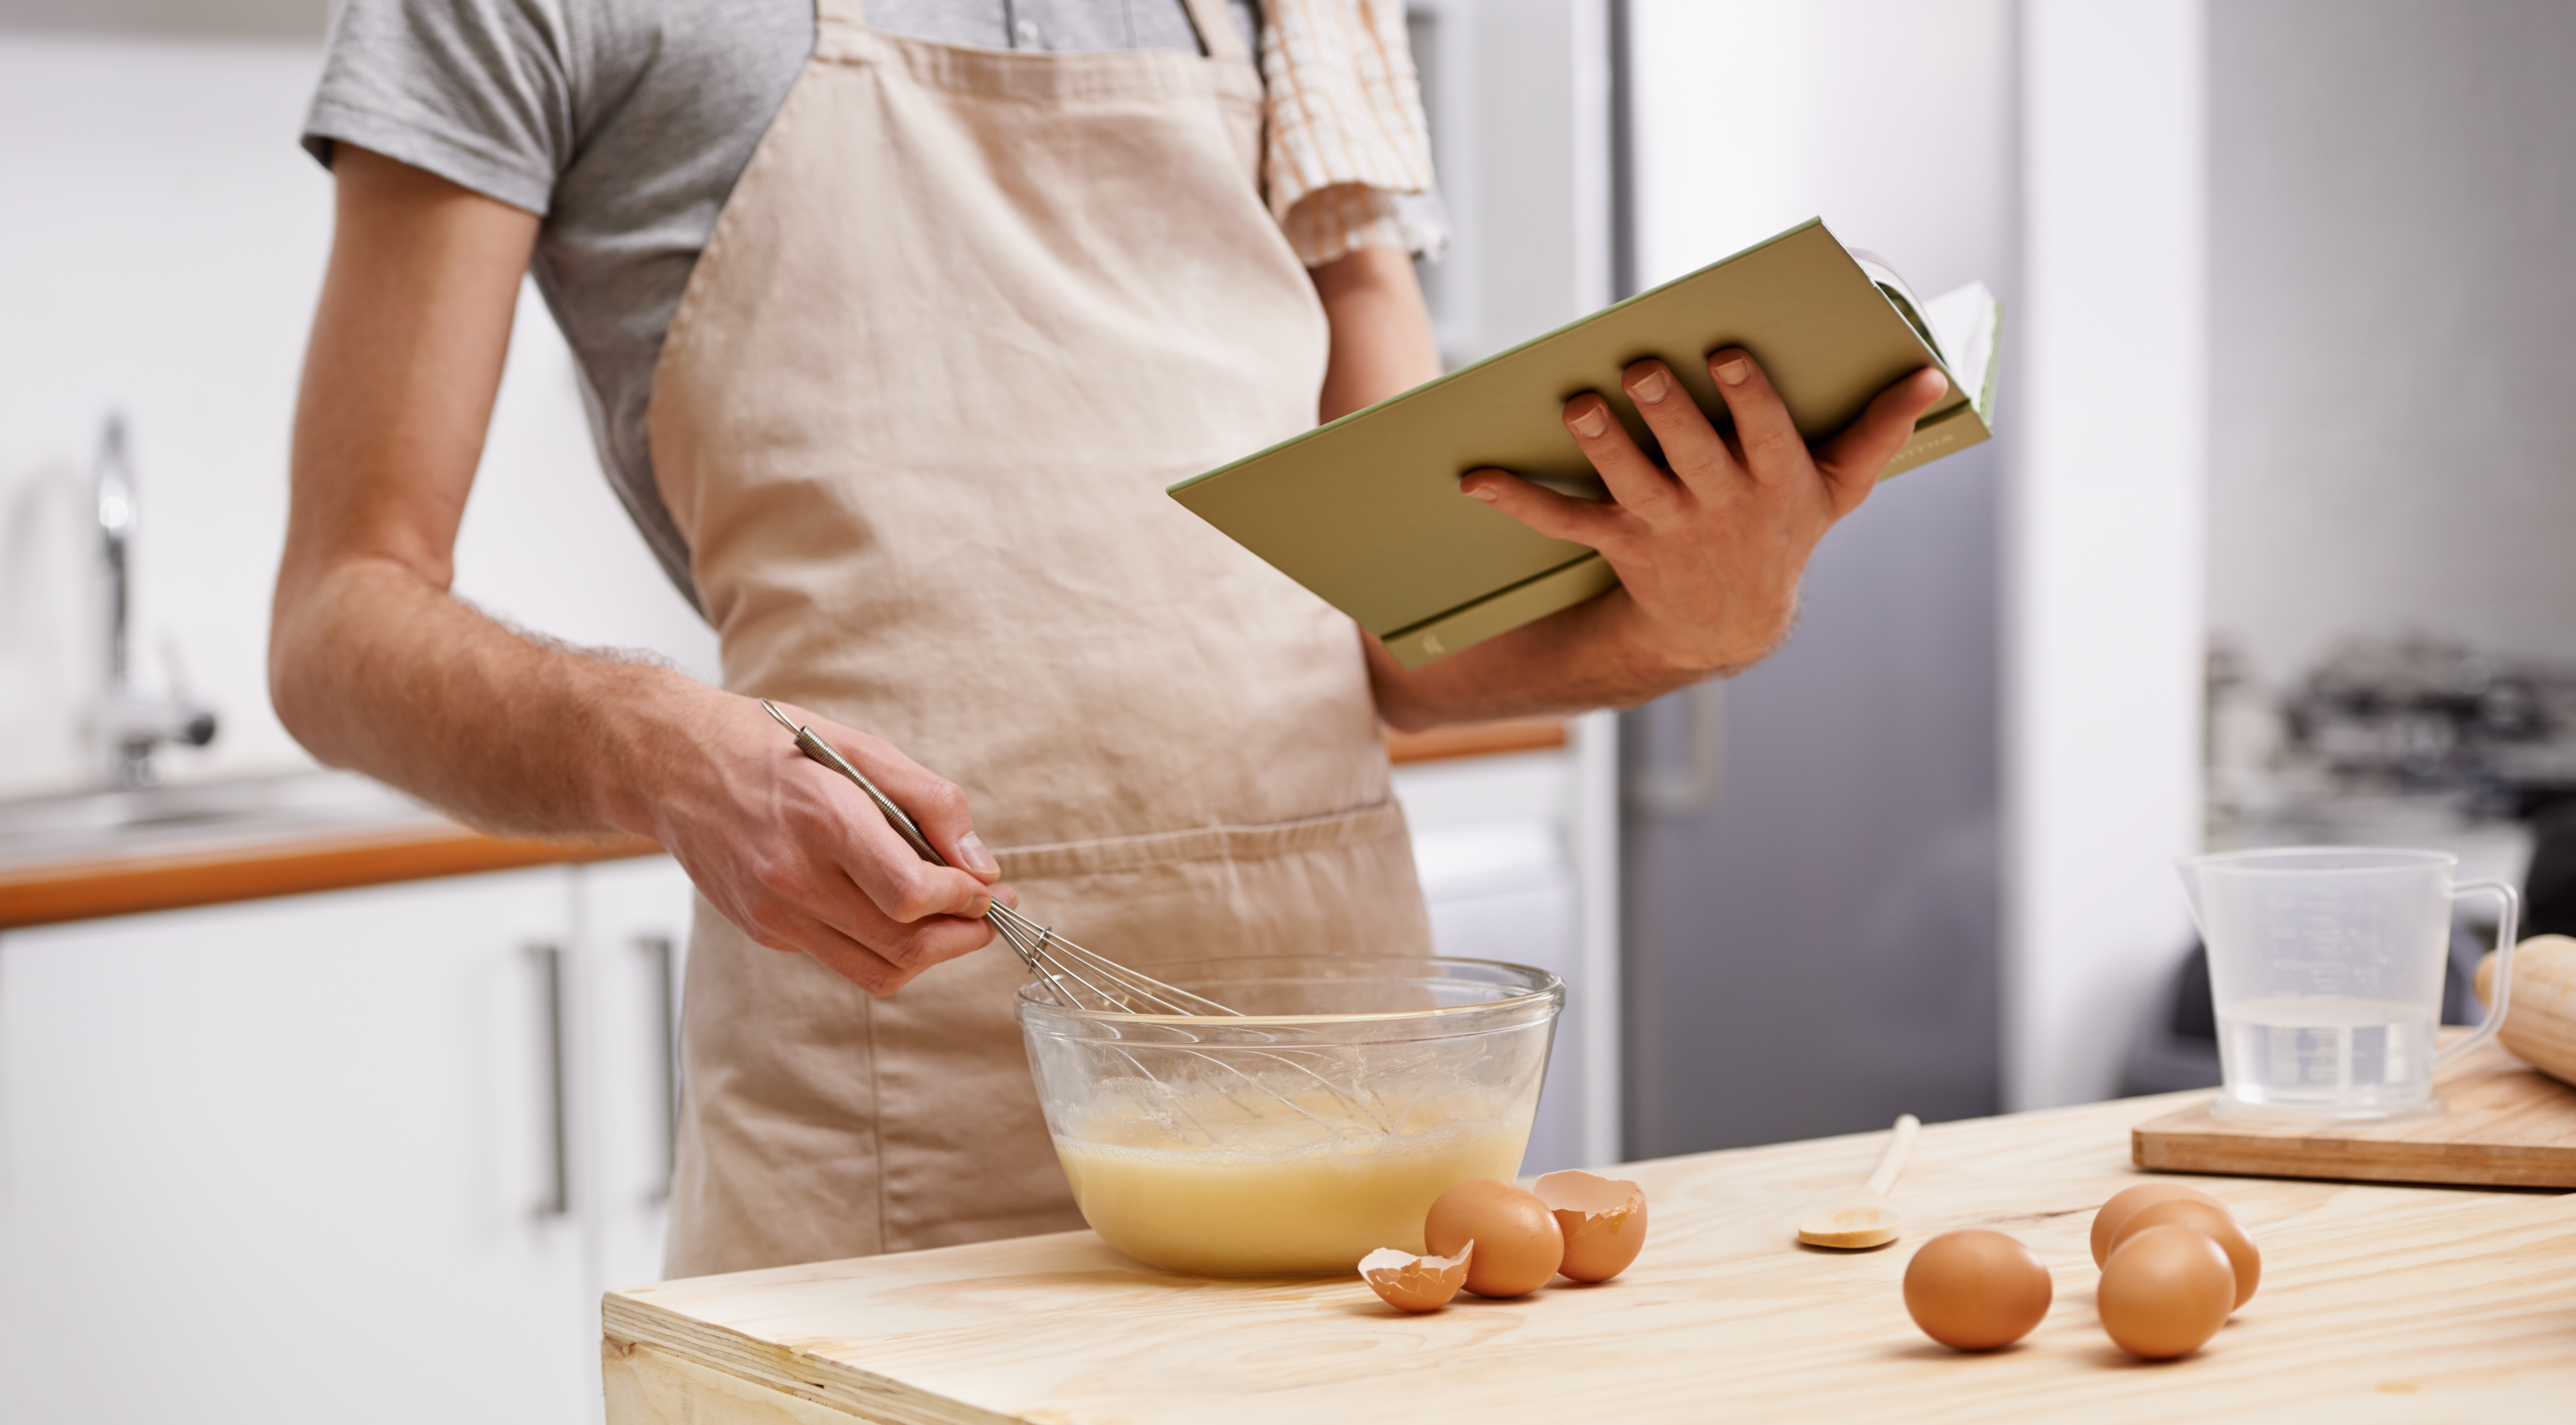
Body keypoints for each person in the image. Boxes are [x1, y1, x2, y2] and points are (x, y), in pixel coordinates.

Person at [272, 0, 1946, 1277]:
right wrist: (652, 744)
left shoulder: (1295, 18)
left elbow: (1404, 634)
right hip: (892, 1128)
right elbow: (340, 615)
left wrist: (1691, 621)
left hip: (1342, 1094)